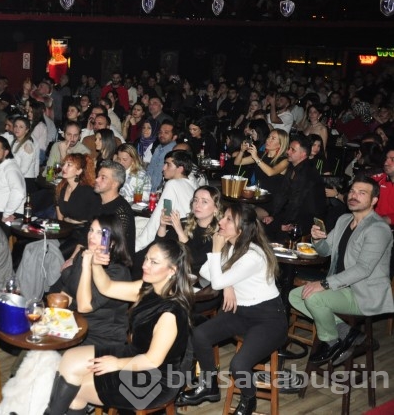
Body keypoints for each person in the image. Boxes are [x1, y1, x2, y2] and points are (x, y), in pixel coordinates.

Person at [43, 238, 191, 415]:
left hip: (154, 379)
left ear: (172, 271)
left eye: (154, 262)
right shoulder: (149, 288)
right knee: (70, 358)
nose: (145, 265)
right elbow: (108, 287)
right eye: (146, 259)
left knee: (77, 389)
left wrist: (117, 363)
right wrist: (96, 265)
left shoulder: (170, 313)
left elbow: (152, 361)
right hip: (134, 355)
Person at [177, 203, 287, 415]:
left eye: (228, 219)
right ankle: (209, 385)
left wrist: (220, 266)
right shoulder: (231, 246)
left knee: (238, 365)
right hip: (241, 312)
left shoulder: (254, 255)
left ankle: (249, 399)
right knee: (199, 335)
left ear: (241, 229)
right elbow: (205, 271)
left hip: (268, 319)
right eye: (224, 217)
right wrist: (228, 283)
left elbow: (215, 281)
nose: (221, 222)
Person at [289, 177, 393, 366]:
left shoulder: (378, 228)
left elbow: (363, 269)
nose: (354, 196)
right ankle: (347, 333)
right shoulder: (344, 219)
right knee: (295, 296)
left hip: (363, 294)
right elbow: (326, 251)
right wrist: (318, 240)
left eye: (362, 193)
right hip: (342, 288)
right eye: (353, 191)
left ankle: (331, 341)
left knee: (313, 297)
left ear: (374, 200)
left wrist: (324, 284)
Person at [48, 215, 132, 346]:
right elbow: (68, 291)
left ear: (112, 241)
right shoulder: (85, 255)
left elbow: (84, 306)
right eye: (91, 230)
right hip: (73, 325)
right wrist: (51, 318)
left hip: (101, 337)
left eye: (99, 233)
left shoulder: (118, 272)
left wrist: (88, 264)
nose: (91, 236)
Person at [137, 151, 197, 257]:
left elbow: (158, 218)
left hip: (176, 235)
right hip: (188, 233)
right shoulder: (192, 183)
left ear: (180, 168)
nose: (163, 168)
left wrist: (138, 246)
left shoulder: (172, 184)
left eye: (168, 164)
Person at [233, 128, 290, 218]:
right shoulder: (261, 154)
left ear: (281, 143)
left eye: (273, 138)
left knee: (246, 217)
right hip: (256, 196)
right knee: (235, 211)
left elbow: (270, 172)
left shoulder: (285, 160)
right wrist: (242, 151)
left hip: (270, 201)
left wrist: (256, 158)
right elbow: (237, 162)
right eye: (268, 137)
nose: (268, 140)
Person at [93, 160, 135, 255]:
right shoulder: (96, 201)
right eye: (98, 176)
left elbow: (107, 247)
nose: (96, 179)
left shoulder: (121, 212)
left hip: (113, 263)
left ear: (115, 184)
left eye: (103, 178)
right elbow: (85, 234)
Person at [11, 116, 39, 189]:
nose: (17, 129)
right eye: (16, 126)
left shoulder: (28, 145)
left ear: (26, 130)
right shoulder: (14, 142)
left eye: (21, 127)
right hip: (16, 178)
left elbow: (23, 169)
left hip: (25, 181)